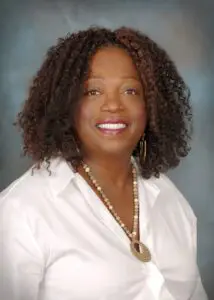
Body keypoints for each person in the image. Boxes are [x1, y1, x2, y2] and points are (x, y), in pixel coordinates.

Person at [0, 26, 208, 300]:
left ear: (154, 105)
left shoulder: (170, 200)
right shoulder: (22, 210)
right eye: (93, 91)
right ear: (66, 105)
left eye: (131, 91)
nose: (113, 105)